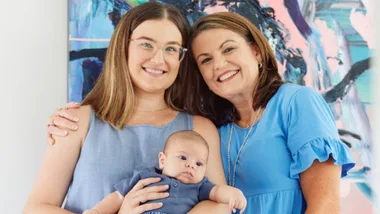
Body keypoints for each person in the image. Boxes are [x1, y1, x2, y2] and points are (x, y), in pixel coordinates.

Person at [44, 12, 355, 214]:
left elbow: (325, 203)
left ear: (257, 52)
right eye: (205, 59)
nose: (219, 65)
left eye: (229, 49)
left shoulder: (295, 102)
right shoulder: (219, 125)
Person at [23, 2, 228, 214]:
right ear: (124, 48)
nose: (158, 59)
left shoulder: (200, 129)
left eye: (170, 48)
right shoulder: (76, 122)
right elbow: (36, 208)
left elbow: (219, 204)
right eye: (146, 44)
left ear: (181, 59)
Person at [83, 130, 247, 214]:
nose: (191, 166)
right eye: (183, 158)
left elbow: (217, 191)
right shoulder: (145, 176)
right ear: (162, 160)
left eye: (199, 163)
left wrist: (233, 194)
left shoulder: (199, 186)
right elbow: (118, 196)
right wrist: (96, 211)